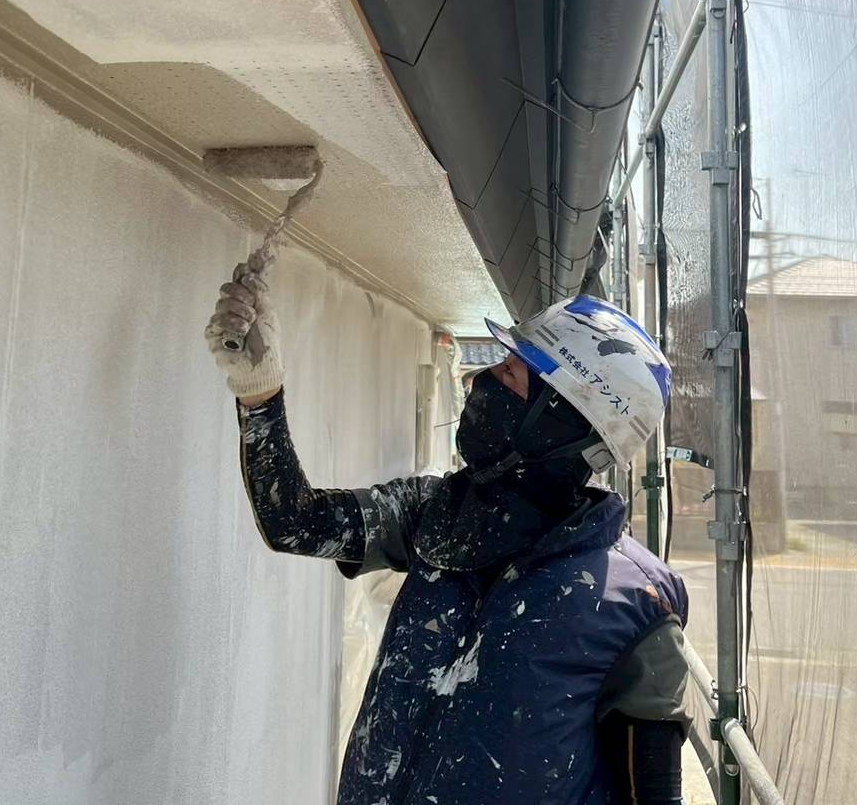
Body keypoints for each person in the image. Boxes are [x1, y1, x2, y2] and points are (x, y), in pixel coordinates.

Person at [207, 263, 690, 805]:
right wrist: (259, 394)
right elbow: (297, 524)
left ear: (559, 424)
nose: (480, 381)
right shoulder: (439, 512)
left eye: (509, 375)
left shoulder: (636, 608)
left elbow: (654, 793)